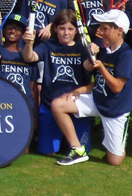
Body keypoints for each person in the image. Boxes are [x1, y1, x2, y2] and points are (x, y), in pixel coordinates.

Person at [51, 10, 132, 166]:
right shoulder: (104, 51)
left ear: (119, 31)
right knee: (58, 104)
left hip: (115, 109)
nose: (101, 32)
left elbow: (117, 87)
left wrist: (101, 67)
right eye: (101, 28)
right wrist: (76, 91)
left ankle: (117, 142)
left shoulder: (126, 55)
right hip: (97, 100)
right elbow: (97, 83)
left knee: (114, 161)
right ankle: (77, 149)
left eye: (105, 29)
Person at [22, 10, 92, 155]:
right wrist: (29, 44)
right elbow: (30, 57)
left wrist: (93, 54)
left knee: (85, 148)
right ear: (55, 29)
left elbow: (89, 66)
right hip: (49, 104)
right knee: (47, 151)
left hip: (75, 105)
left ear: (76, 30)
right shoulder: (47, 46)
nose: (66, 33)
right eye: (62, 28)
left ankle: (71, 143)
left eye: (70, 29)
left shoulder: (81, 48)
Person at [0, 14, 37, 112]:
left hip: (25, 105)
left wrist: (35, 114)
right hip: (2, 104)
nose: (12, 31)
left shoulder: (29, 55)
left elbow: (33, 87)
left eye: (17, 28)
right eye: (9, 27)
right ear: (4, 29)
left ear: (23, 32)